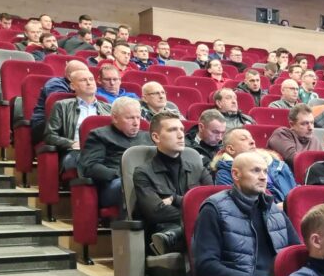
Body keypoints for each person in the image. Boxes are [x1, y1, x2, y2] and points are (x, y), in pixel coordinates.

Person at [133, 111, 213, 255]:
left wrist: (175, 199)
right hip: (163, 232)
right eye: (172, 130)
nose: (181, 135)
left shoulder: (199, 169)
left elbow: (212, 204)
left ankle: (175, 237)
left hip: (197, 228)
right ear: (156, 137)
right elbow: (156, 213)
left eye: (181, 129)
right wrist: (195, 210)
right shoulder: (143, 172)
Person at [78, 97, 152, 208]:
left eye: (138, 117)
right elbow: (91, 167)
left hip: (146, 181)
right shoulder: (100, 135)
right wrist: (121, 174)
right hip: (114, 184)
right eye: (130, 118)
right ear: (115, 118)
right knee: (135, 185)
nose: (136, 123)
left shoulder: (148, 137)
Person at [44, 69, 111, 172]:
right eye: (83, 80)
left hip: (105, 152)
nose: (89, 83)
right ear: (72, 86)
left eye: (91, 79)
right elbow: (49, 136)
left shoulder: (109, 108)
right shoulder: (61, 106)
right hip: (77, 152)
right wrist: (71, 143)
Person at [210, 128, 296, 205]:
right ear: (231, 149)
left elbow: (296, 193)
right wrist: (277, 209)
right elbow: (234, 207)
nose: (252, 142)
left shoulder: (279, 165)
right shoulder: (225, 174)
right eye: (243, 139)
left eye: (252, 138)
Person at [31, 60, 89, 143]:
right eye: (82, 75)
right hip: (45, 124)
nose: (87, 79)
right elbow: (62, 108)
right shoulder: (55, 83)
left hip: (69, 123)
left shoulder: (85, 86)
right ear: (69, 76)